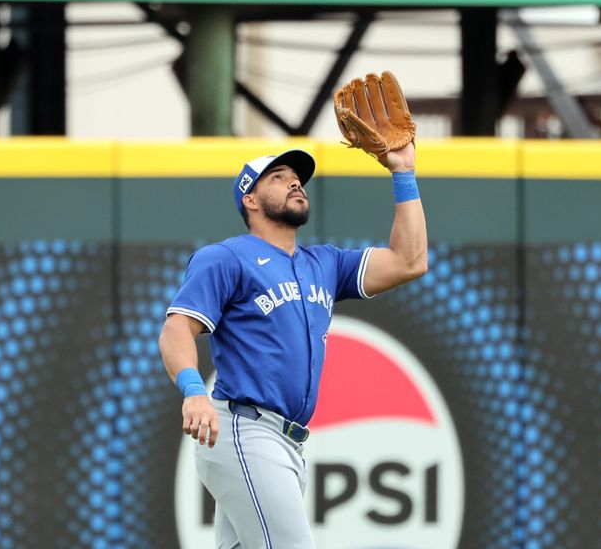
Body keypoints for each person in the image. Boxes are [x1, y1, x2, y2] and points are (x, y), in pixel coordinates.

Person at [158, 137, 427, 548]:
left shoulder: (325, 263)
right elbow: (176, 329)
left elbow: (410, 261)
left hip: (288, 442)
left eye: (298, 178)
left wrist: (403, 172)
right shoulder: (227, 258)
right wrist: (194, 391)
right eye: (279, 177)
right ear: (250, 199)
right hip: (245, 432)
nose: (295, 183)